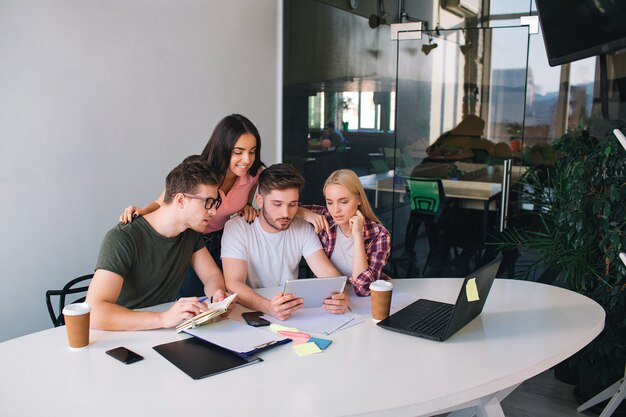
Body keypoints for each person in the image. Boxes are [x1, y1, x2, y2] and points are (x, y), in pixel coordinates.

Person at [119, 114, 264, 297]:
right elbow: (163, 202)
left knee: (220, 294)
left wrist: (247, 207)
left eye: (252, 151)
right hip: (190, 238)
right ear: (223, 148)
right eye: (238, 152)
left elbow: (249, 203)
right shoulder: (200, 172)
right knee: (187, 296)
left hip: (222, 240)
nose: (246, 159)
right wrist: (141, 212)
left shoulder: (254, 174)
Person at [86, 160, 233, 331]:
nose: (214, 212)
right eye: (208, 202)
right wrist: (163, 319)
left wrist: (218, 296)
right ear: (180, 200)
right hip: (120, 334)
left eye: (215, 203)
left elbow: (211, 276)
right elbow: (94, 312)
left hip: (161, 331)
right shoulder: (123, 238)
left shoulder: (190, 234)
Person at [221, 163, 348, 320]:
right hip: (250, 312)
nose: (286, 213)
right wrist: (268, 307)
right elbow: (233, 283)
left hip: (291, 311)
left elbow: (329, 275)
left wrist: (339, 296)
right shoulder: (236, 228)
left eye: (292, 204)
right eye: (277, 204)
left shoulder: (301, 227)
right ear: (259, 201)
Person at [298, 169, 391, 296]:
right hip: (329, 298)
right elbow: (287, 208)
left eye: (343, 201)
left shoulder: (379, 235)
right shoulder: (325, 218)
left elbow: (363, 289)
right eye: (329, 202)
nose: (335, 210)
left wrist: (358, 237)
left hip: (365, 304)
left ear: (359, 200)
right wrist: (305, 213)